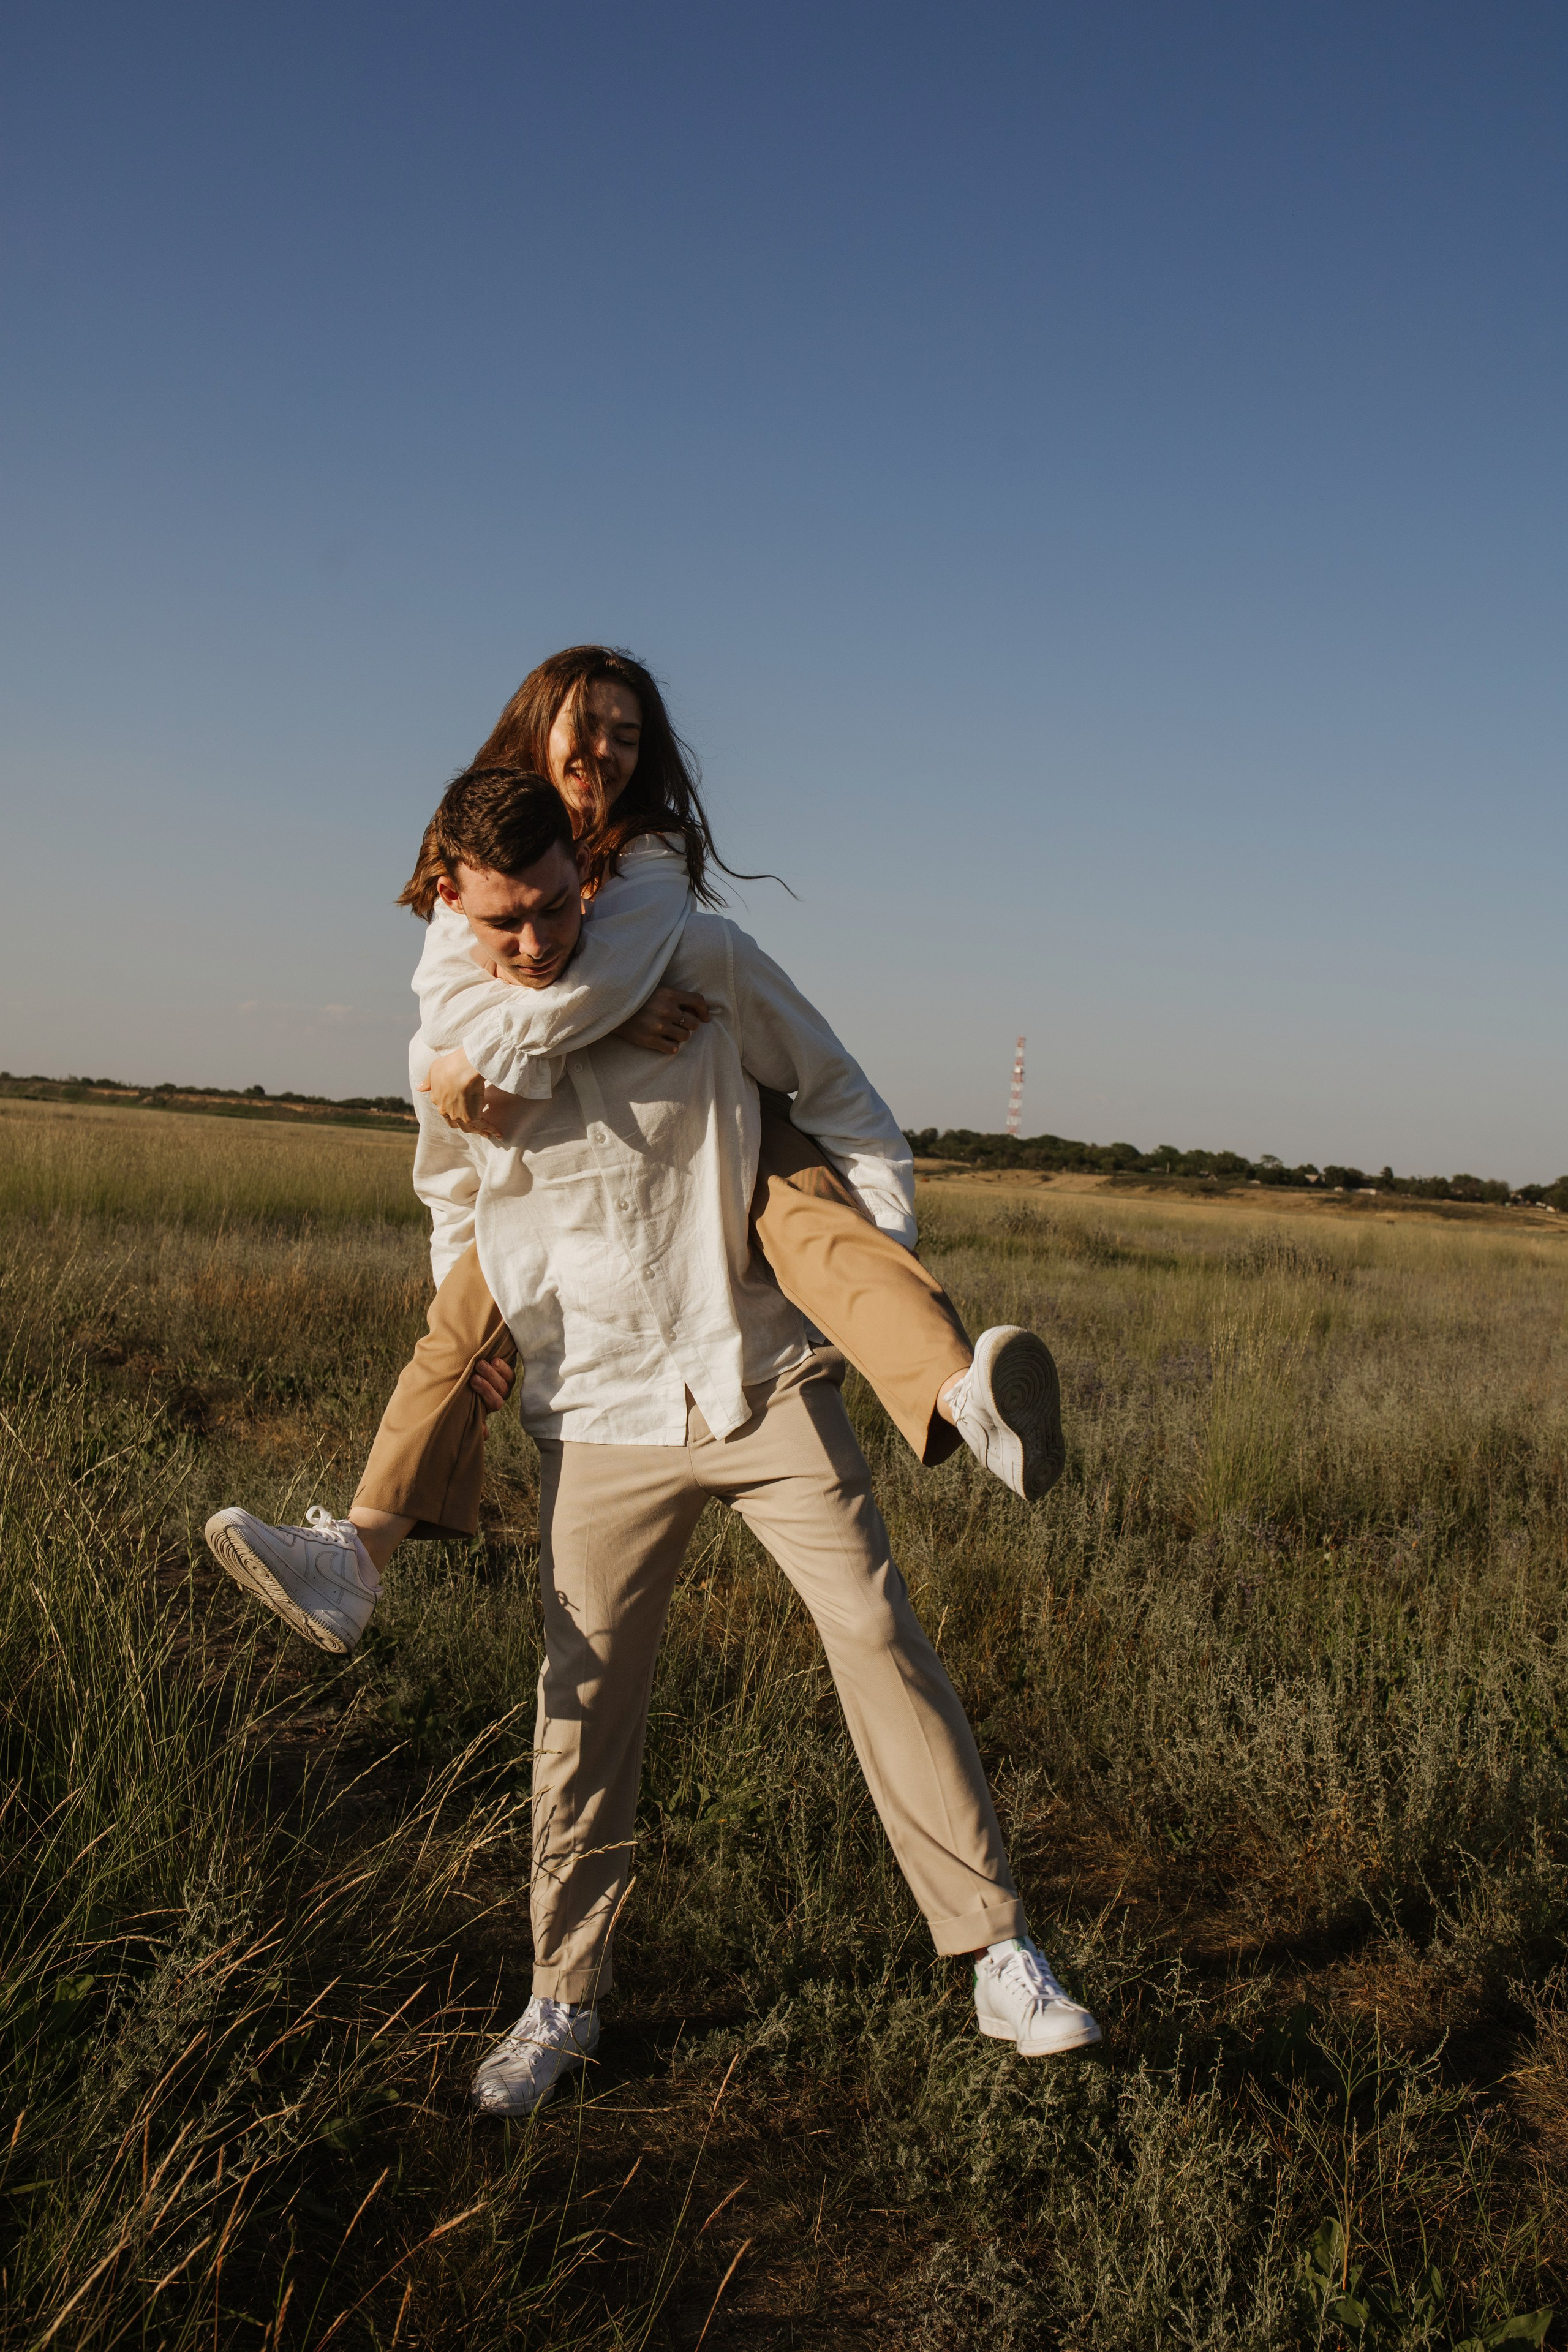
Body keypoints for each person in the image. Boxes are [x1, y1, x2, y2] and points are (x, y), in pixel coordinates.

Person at [208, 766, 1100, 2114]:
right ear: (451, 899)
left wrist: (872, 1271)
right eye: (505, 920)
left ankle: (998, 1951)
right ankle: (561, 2002)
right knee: (583, 1709)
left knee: (876, 1637)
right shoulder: (456, 1040)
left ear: (587, 870)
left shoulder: (699, 958)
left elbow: (846, 1097)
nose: (536, 941)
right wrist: (486, 1337)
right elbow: (451, 1197)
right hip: (599, 1403)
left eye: (556, 907)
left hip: (757, 1369)